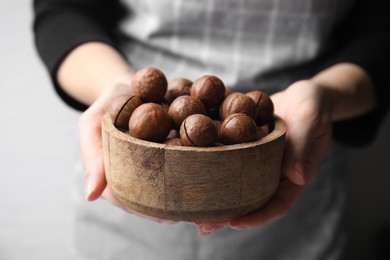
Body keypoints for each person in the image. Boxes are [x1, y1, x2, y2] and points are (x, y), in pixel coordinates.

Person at [33, 0, 390, 259]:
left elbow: (380, 25)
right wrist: (113, 86)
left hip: (288, 162)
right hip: (132, 203)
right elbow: (64, 7)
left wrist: (326, 94)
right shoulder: (149, 107)